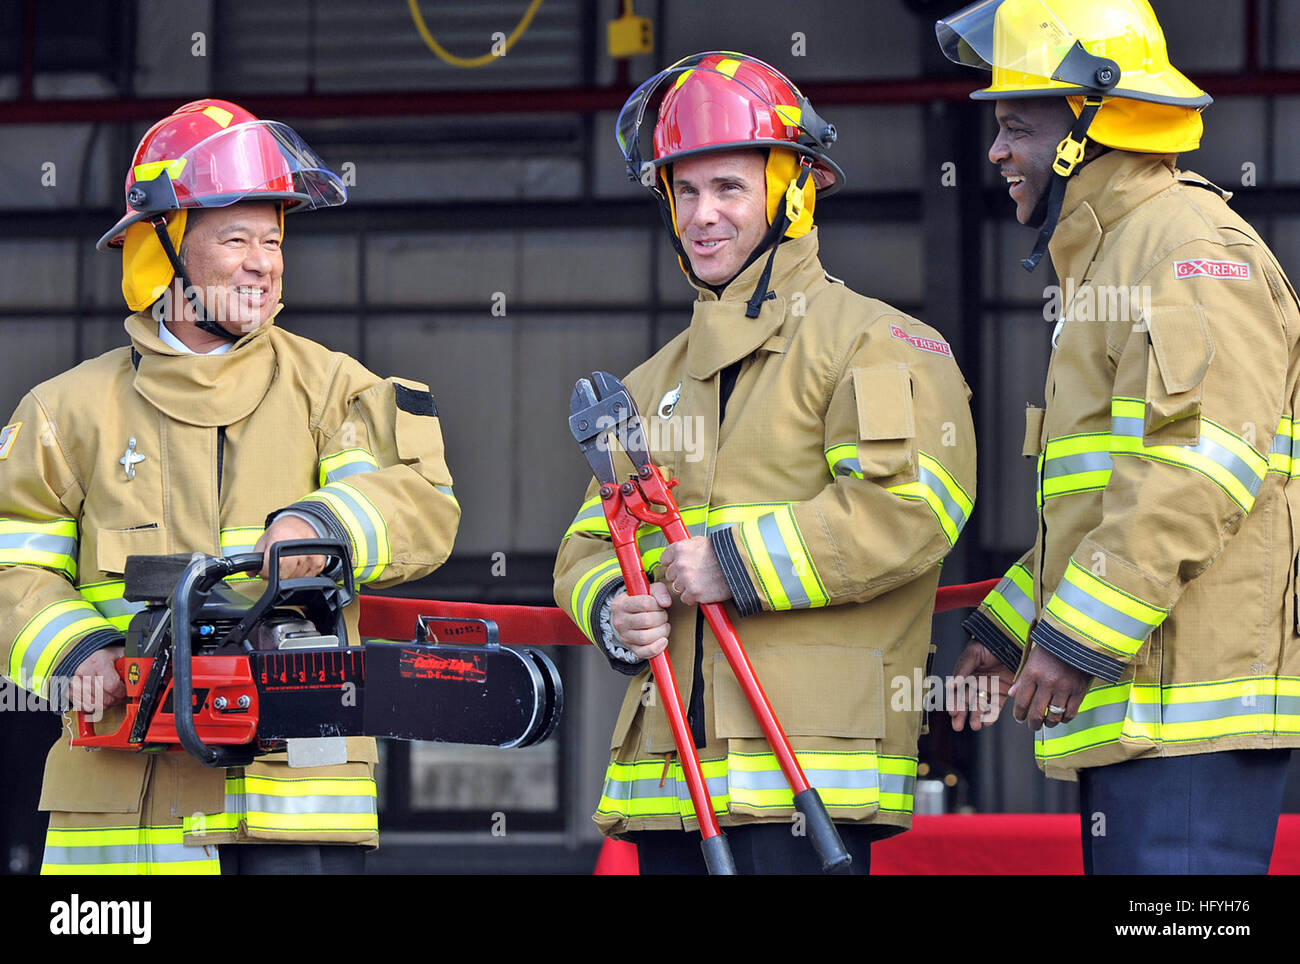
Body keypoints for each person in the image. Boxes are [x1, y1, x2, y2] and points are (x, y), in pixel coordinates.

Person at [0, 99, 460, 875]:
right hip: (127, 816)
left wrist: (324, 524)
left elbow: (419, 503)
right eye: (237, 238)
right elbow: (12, 566)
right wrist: (78, 649)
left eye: (274, 239)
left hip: (294, 805)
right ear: (163, 249)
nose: (264, 263)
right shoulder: (65, 412)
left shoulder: (333, 390)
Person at [553, 53, 978, 874]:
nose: (701, 215)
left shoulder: (876, 342)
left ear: (794, 192)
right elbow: (583, 546)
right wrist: (612, 606)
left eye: (729, 188)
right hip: (669, 791)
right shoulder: (647, 386)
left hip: (806, 778)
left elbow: (909, 511)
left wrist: (732, 563)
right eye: (685, 190)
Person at [939, 0, 1300, 873]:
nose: (996, 153)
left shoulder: (1185, 250)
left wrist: (1075, 639)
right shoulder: (1118, 254)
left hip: (1189, 728)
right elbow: (1105, 503)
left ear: (1087, 126)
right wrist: (1013, 626)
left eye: (1016, 126)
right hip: (1148, 717)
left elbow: (1195, 472)